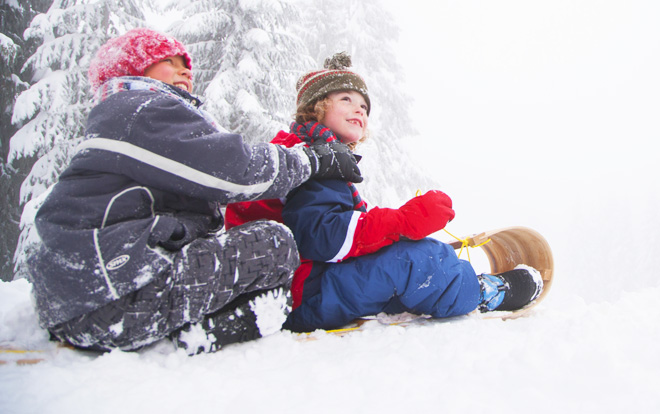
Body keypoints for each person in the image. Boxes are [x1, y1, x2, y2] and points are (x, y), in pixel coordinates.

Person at [26, 29, 364, 354]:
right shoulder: (142, 110)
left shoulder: (123, 117)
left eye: (186, 64)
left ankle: (208, 325)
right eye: (169, 62)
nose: (185, 70)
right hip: (110, 297)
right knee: (273, 243)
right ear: (133, 68)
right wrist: (310, 159)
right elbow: (234, 169)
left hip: (81, 298)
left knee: (241, 249)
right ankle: (210, 332)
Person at [225, 52, 544, 333]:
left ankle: (436, 290)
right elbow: (322, 237)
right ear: (317, 107)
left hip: (303, 284)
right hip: (301, 293)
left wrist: (401, 230)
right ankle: (483, 293)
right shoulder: (311, 158)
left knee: (404, 254)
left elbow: (340, 231)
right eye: (346, 100)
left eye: (364, 105)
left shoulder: (311, 153)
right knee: (413, 260)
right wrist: (405, 221)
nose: (359, 110)